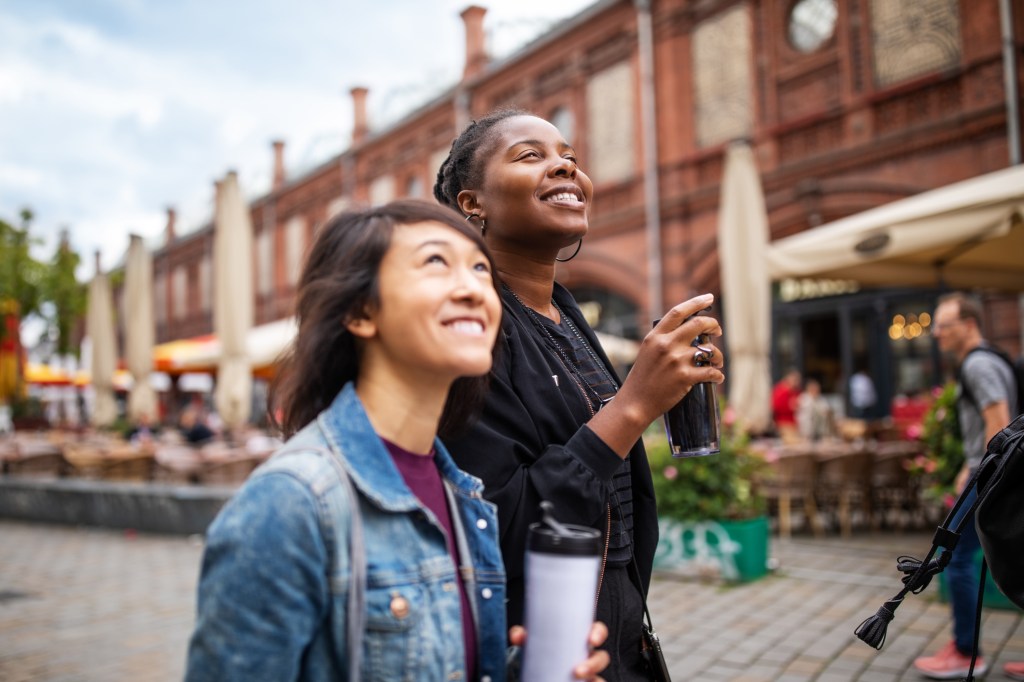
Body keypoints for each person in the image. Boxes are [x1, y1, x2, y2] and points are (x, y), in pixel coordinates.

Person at [185, 201, 609, 681]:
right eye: (435, 263)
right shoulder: (292, 503)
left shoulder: (463, 495)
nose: (474, 288)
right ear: (362, 312)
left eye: (479, 269)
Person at [434, 110, 725, 680]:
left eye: (568, 155)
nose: (565, 164)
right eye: (530, 155)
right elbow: (498, 519)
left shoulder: (565, 312)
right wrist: (634, 404)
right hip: (534, 638)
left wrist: (664, 387)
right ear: (474, 203)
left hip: (617, 622)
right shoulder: (473, 323)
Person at [914, 292, 1019, 680]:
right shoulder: (992, 359)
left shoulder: (978, 366)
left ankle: (964, 651)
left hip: (990, 477)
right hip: (990, 473)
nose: (937, 333)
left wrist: (979, 475)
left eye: (945, 325)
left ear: (969, 324)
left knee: (954, 558)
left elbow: (999, 424)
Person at [771, 368, 801, 442]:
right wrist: (790, 407)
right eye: (795, 379)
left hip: (794, 424)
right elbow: (776, 406)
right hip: (784, 423)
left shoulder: (795, 391)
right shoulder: (781, 390)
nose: (797, 382)